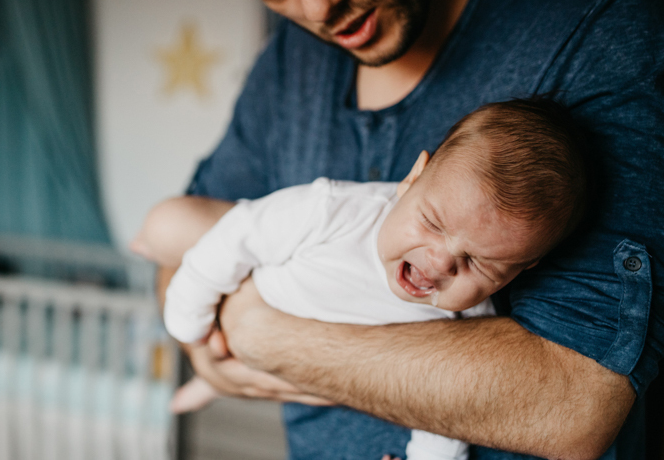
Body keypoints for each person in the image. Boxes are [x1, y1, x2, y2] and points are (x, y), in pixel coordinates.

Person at [156, 0, 664, 459]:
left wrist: (257, 331)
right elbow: (179, 246)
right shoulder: (288, 65)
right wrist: (205, 353)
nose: (318, 4)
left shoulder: (598, 28)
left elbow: (574, 405)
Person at [136, 100, 588, 460]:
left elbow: (444, 406)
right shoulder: (335, 210)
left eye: (478, 263)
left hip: (307, 363)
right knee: (173, 224)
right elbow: (240, 236)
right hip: (260, 283)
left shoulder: (467, 320)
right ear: (411, 180)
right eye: (432, 222)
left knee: (255, 366)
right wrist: (188, 320)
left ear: (518, 270)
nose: (440, 263)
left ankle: (213, 381)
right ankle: (210, 376)